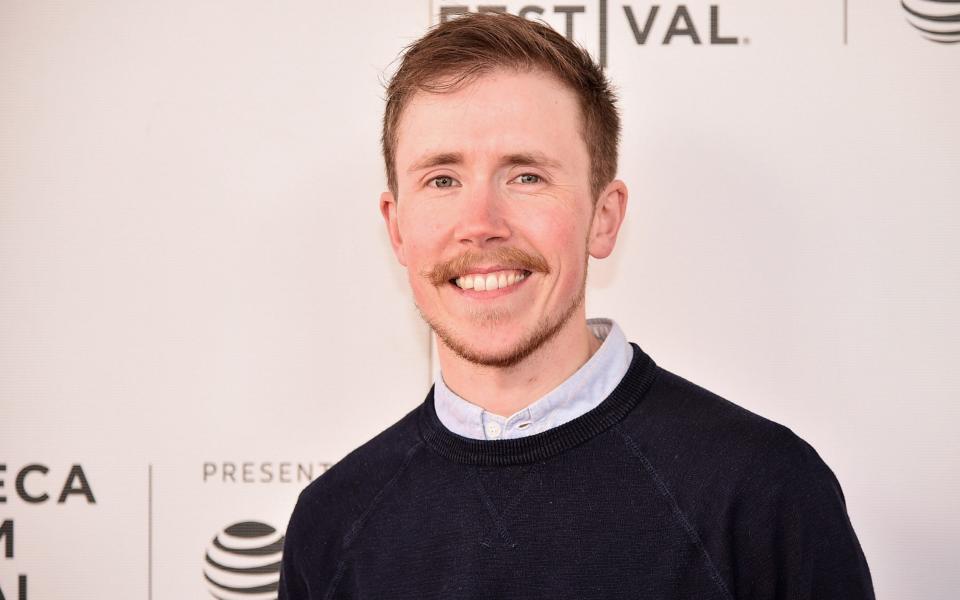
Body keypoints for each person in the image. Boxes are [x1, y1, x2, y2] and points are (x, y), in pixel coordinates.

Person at [278, 12, 874, 600]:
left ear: (604, 217)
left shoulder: (763, 492)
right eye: (442, 180)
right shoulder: (330, 524)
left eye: (527, 176)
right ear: (398, 228)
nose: (480, 225)